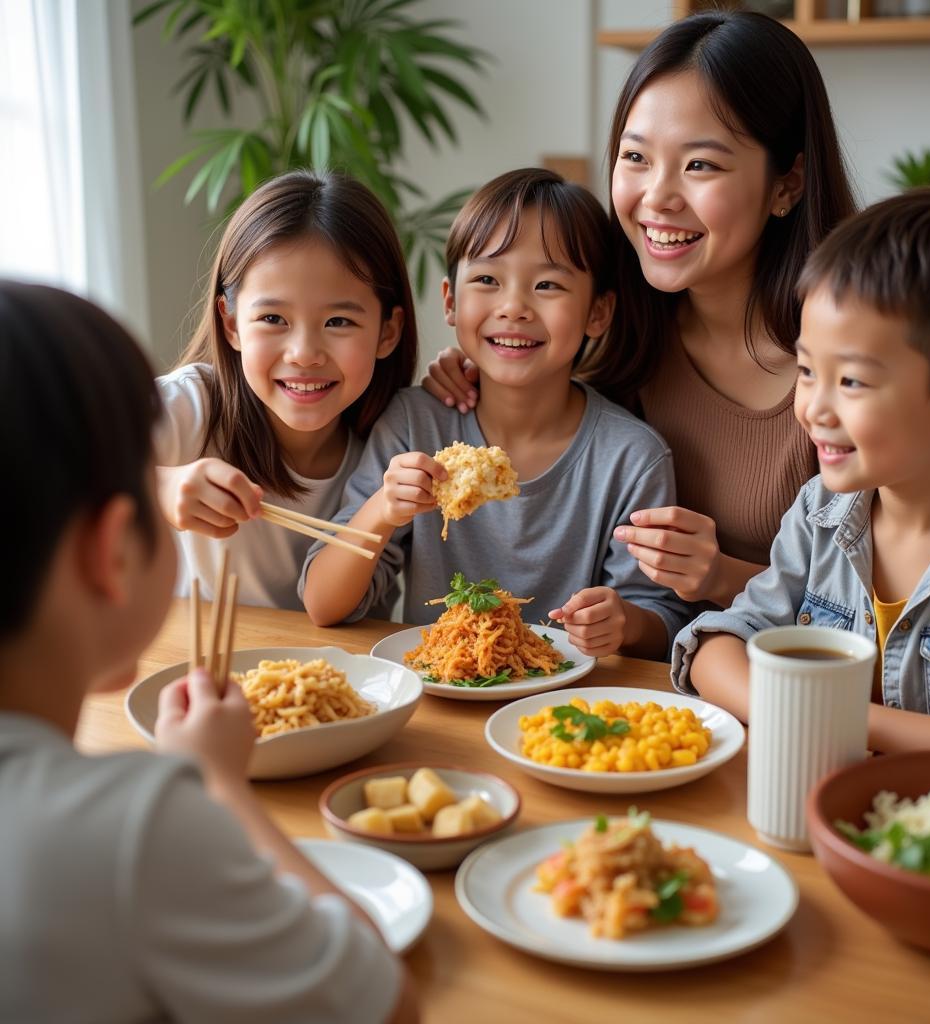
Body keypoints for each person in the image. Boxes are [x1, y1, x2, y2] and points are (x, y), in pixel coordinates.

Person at [0, 282, 417, 1022]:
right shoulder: (140, 827)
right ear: (111, 552)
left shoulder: (388, 425)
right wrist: (216, 786)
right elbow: (379, 999)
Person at [423, 11, 855, 614]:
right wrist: (481, 369)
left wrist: (723, 577)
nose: (657, 197)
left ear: (788, 183)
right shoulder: (625, 334)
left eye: (700, 164)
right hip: (650, 696)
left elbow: (904, 603)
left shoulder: (850, 361)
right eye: (636, 157)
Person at [673, 189, 930, 754]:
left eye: (852, 381)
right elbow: (714, 647)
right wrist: (794, 708)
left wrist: (831, 718)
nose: (814, 407)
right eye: (808, 370)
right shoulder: (820, 512)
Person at [302, 168, 684, 660]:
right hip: (435, 692)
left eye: (548, 285)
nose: (513, 306)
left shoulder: (631, 457)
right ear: (450, 301)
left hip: (566, 704)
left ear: (598, 313)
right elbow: (323, 605)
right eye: (486, 279)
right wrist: (381, 509)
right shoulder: (414, 425)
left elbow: (664, 619)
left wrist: (624, 622)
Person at [156, 170, 416, 610]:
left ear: (387, 332)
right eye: (273, 319)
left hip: (341, 677)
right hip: (199, 672)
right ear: (232, 323)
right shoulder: (191, 406)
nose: (304, 354)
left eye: (339, 322)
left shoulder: (394, 442)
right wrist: (159, 486)